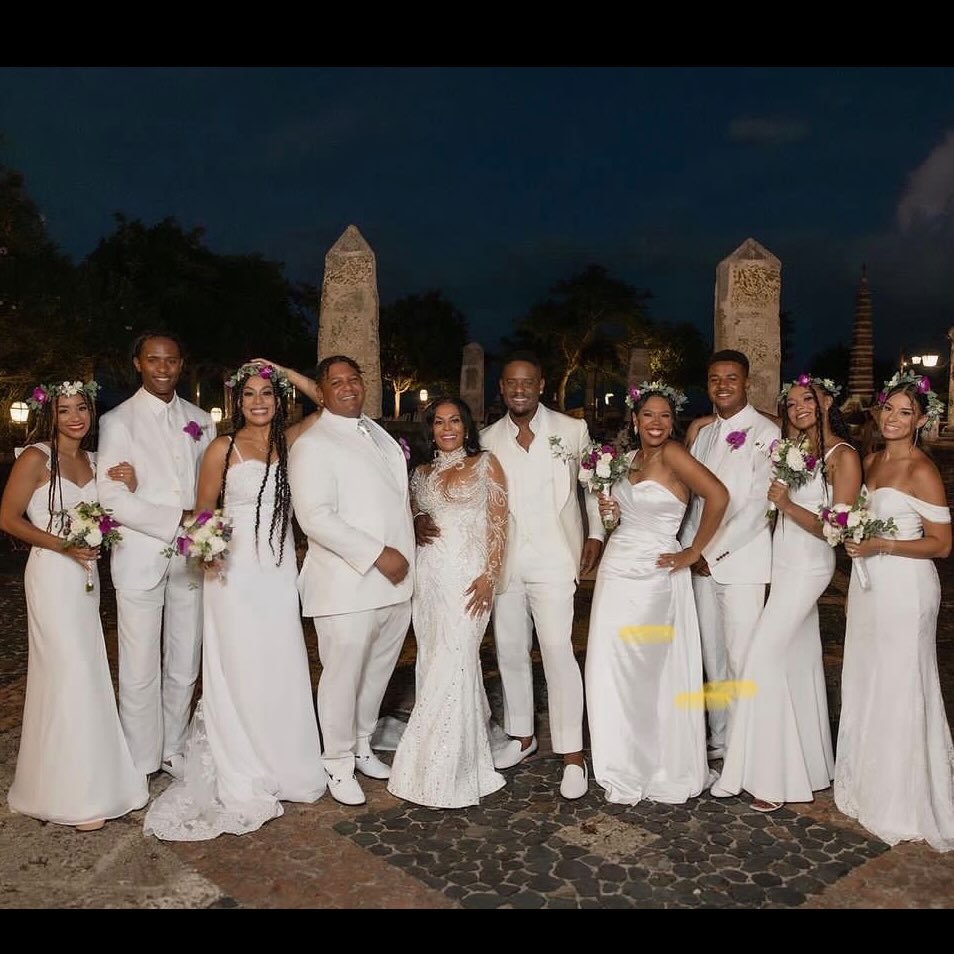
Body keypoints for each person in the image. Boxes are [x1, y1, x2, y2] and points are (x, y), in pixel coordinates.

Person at [143, 362, 327, 840]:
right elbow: (202, 512)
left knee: (281, 661)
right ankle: (241, 760)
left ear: (279, 398)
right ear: (237, 402)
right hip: (234, 574)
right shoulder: (220, 448)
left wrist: (283, 370)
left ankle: (283, 760)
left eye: (267, 393)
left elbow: (326, 398)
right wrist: (206, 552)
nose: (259, 401)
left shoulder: (290, 440)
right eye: (249, 394)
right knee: (238, 664)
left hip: (278, 569)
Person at [1, 379, 148, 832]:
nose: (75, 417)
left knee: (89, 670)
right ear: (52, 415)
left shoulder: (99, 462)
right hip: (51, 572)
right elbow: (7, 518)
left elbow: (119, 512)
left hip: (86, 578)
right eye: (64, 410)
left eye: (81, 408)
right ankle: (71, 793)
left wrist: (132, 484)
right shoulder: (35, 457)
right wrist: (61, 545)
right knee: (69, 672)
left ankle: (95, 779)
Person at [711, 375, 862, 812]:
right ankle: (813, 766)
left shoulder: (842, 456)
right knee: (797, 663)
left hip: (810, 566)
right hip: (783, 563)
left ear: (827, 401)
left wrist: (788, 505)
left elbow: (839, 527)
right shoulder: (796, 452)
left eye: (808, 399)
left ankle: (772, 779)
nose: (799, 407)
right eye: (792, 402)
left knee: (761, 660)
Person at [585, 383, 728, 805]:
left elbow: (719, 495)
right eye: (649, 414)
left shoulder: (674, 455)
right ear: (634, 419)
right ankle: (622, 757)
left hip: (654, 576)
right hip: (616, 571)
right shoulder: (626, 460)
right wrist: (610, 513)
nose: (657, 423)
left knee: (647, 669)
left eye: (665, 416)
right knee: (609, 665)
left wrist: (693, 551)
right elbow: (622, 517)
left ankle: (657, 763)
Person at [471, 351, 603, 799]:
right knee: (509, 650)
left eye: (527, 382)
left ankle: (571, 753)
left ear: (541, 385)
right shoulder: (487, 439)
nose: (519, 389)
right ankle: (522, 736)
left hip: (555, 559)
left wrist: (597, 533)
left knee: (557, 652)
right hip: (506, 563)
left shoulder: (571, 430)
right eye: (511, 383)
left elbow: (592, 487)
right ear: (502, 389)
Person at [834, 371, 954, 851]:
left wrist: (883, 543)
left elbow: (942, 545)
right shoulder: (871, 461)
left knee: (902, 682)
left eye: (906, 412)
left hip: (907, 588)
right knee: (867, 678)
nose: (894, 418)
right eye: (889, 408)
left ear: (921, 420)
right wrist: (850, 537)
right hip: (868, 588)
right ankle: (866, 782)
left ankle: (901, 798)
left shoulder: (922, 470)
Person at [288, 355, 414, 806]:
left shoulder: (377, 433)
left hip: (396, 585)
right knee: (342, 677)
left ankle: (362, 745)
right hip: (346, 585)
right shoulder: (312, 444)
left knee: (377, 673)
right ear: (320, 393)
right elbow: (314, 517)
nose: (347, 388)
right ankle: (337, 762)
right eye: (335, 383)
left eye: (353, 380)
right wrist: (378, 554)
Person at [96, 331, 214, 780]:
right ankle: (141, 759)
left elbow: (209, 487)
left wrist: (203, 528)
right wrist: (179, 519)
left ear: (182, 364)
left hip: (191, 559)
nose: (162, 368)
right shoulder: (117, 420)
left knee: (185, 661)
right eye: (153, 360)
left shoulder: (202, 420)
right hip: (140, 557)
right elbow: (112, 500)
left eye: (171, 360)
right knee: (139, 664)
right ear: (137, 364)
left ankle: (174, 748)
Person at [387, 396, 508, 808]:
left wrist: (490, 576)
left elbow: (499, 522)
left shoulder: (485, 463)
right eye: (439, 422)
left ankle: (442, 767)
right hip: (430, 578)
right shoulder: (419, 473)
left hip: (469, 577)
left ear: (467, 426)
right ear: (431, 429)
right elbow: (410, 510)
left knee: (457, 657)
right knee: (434, 657)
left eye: (455, 420)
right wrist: (417, 518)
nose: (448, 428)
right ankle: (463, 757)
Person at [679, 349, 780, 760]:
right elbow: (695, 503)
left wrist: (710, 552)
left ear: (747, 383)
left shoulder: (766, 433)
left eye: (731, 378)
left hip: (741, 565)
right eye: (715, 378)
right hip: (700, 565)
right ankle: (721, 740)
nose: (722, 385)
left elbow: (760, 508)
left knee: (742, 659)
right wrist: (688, 550)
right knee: (713, 658)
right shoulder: (703, 435)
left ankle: (748, 752)